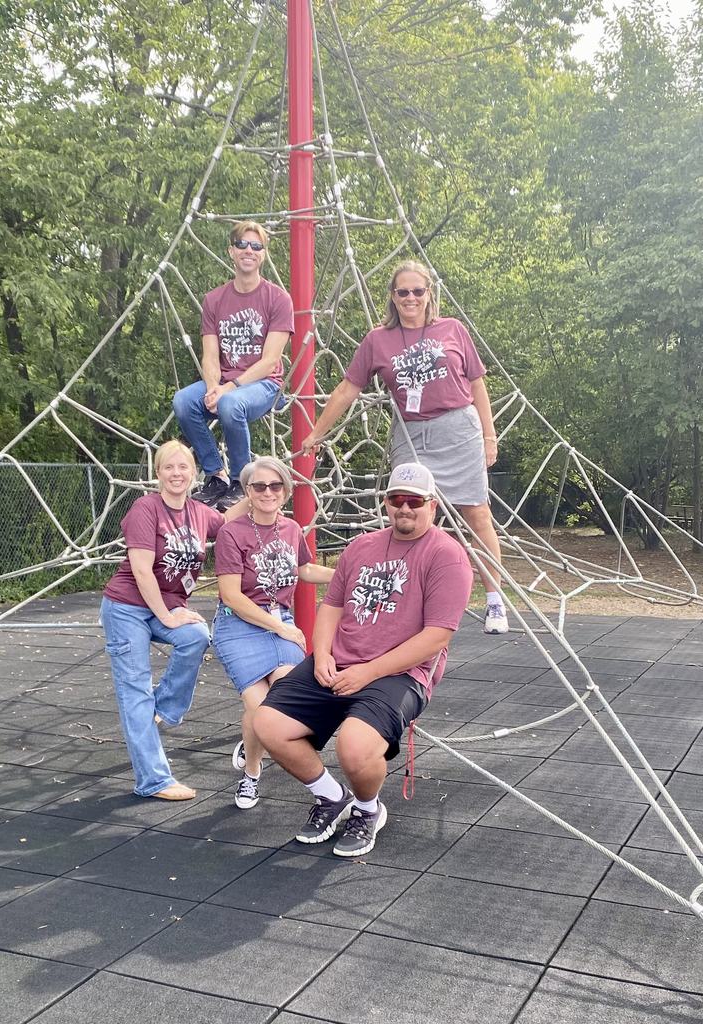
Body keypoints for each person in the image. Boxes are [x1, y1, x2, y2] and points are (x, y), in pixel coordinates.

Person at [253, 462, 473, 857]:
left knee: (354, 748)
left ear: (432, 505)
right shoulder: (361, 547)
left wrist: (366, 672)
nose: (404, 508)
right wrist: (321, 654)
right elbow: (332, 606)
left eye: (414, 501)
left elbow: (437, 636)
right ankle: (331, 796)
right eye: (396, 499)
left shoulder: (447, 556)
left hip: (399, 673)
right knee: (268, 723)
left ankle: (368, 809)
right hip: (340, 659)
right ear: (385, 502)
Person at [301, 259, 508, 635]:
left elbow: (477, 383)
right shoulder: (378, 340)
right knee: (407, 515)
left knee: (476, 513)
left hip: (458, 430)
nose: (411, 298)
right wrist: (317, 432)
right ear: (393, 297)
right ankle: (407, 603)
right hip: (411, 434)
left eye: (418, 291)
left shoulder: (452, 329)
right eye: (403, 292)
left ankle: (495, 600)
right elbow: (348, 389)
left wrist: (489, 436)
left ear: (429, 294)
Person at [100, 439, 247, 801]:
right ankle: (153, 780)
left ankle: (165, 706)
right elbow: (141, 570)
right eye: (169, 467)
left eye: (183, 467)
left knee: (196, 636)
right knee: (135, 691)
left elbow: (228, 521)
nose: (176, 473)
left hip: (164, 606)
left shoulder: (198, 512)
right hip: (127, 607)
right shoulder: (146, 508)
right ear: (158, 473)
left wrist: (259, 488)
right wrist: (165, 615)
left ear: (194, 473)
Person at [213, 456, 335, 810]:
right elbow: (231, 596)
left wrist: (345, 574)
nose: (268, 492)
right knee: (260, 708)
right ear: (248, 492)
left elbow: (305, 569)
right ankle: (252, 773)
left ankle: (256, 742)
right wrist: (281, 627)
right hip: (240, 626)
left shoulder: (292, 528)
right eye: (259, 486)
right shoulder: (231, 533)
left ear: (286, 490)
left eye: (275, 485)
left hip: (279, 622)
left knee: (284, 702)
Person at [173, 221, 294, 512]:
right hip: (225, 382)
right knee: (183, 402)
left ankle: (242, 480)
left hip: (264, 384)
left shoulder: (278, 299)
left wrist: (228, 389)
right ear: (231, 251)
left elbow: (270, 361)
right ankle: (216, 474)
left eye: (256, 246)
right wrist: (212, 388)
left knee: (230, 404)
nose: (248, 251)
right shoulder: (214, 300)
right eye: (242, 245)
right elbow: (210, 356)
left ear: (263, 254)